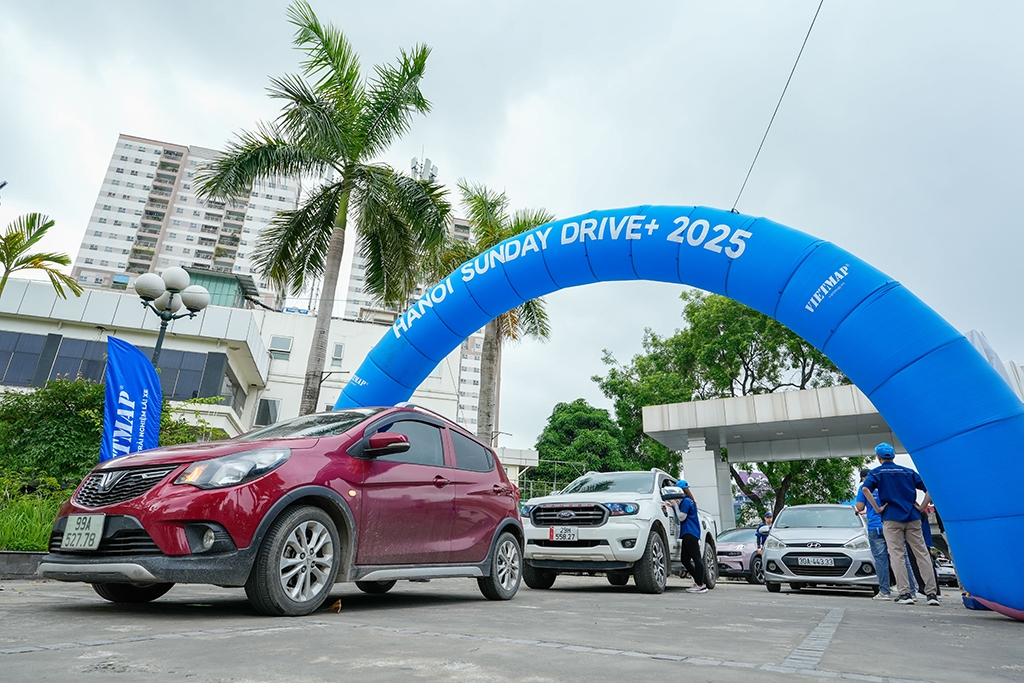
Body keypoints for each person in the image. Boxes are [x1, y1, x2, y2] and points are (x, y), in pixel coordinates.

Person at [862, 442, 939, 606]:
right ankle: (931, 594)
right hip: (912, 517)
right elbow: (930, 488)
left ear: (878, 457)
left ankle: (905, 593)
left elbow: (865, 489)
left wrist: (877, 508)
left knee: (897, 555)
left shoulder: (876, 473)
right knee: (922, 553)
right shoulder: (908, 472)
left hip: (891, 517)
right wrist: (922, 507)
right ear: (893, 456)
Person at [855, 468, 893, 601]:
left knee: (881, 560)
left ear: (863, 478)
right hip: (891, 524)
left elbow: (859, 507)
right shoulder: (885, 485)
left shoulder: (864, 488)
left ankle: (885, 591)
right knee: (900, 557)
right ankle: (909, 591)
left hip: (875, 526)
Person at [675, 479, 709, 594]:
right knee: (685, 560)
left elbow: (681, 517)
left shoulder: (686, 501)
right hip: (690, 533)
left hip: (689, 533)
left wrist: (675, 505)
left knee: (696, 558)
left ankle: (700, 585)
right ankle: (699, 582)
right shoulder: (690, 501)